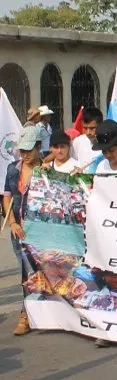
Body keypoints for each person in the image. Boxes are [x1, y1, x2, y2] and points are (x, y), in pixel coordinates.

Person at [6, 125, 43, 335]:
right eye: (23, 150)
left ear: (39, 147)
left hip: (41, 229)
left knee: (47, 271)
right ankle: (26, 314)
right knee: (26, 272)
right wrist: (12, 222)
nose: (26, 154)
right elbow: (7, 196)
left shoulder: (47, 169)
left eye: (30, 150)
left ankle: (41, 312)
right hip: (18, 230)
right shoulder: (13, 169)